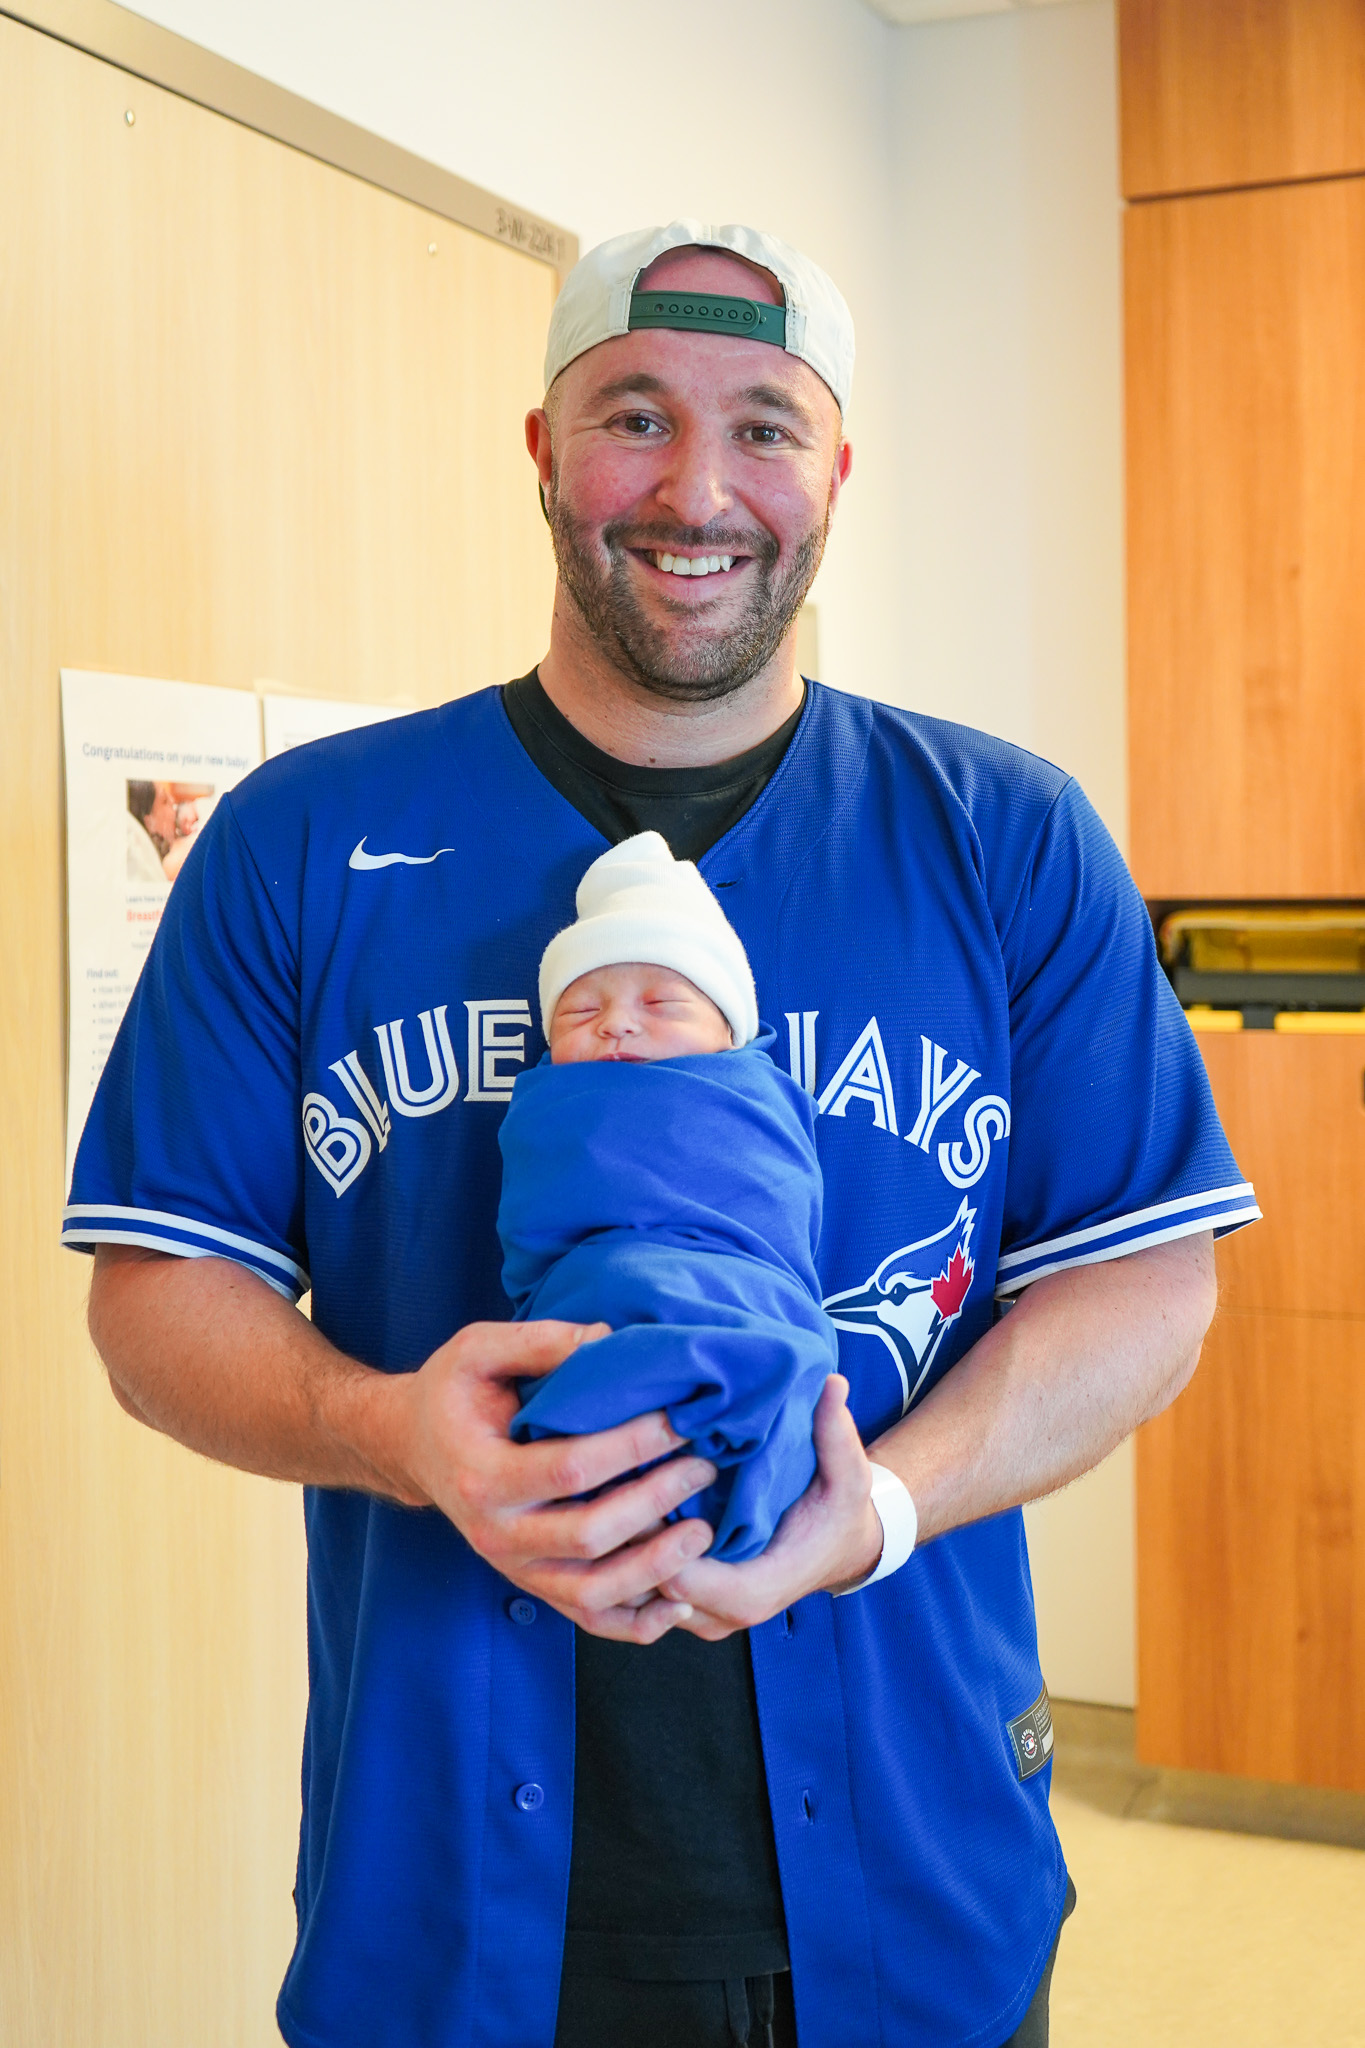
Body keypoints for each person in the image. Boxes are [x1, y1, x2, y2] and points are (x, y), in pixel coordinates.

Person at [67, 219, 1258, 2048]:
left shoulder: (1006, 838)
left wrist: (880, 1506)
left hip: (922, 1866)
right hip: (446, 1903)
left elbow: (1148, 1286)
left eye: (766, 426)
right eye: (634, 414)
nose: (698, 489)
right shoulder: (297, 844)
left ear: (836, 472)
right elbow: (154, 1297)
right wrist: (391, 1431)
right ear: (541, 450)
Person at [502, 829, 841, 1562]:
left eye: (661, 1002)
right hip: (595, 1296)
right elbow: (534, 1232)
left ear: (729, 1034)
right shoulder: (550, 1107)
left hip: (740, 1291)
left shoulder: (753, 1102)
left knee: (764, 1348)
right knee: (608, 1302)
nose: (617, 1023)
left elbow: (779, 1222)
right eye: (579, 1013)